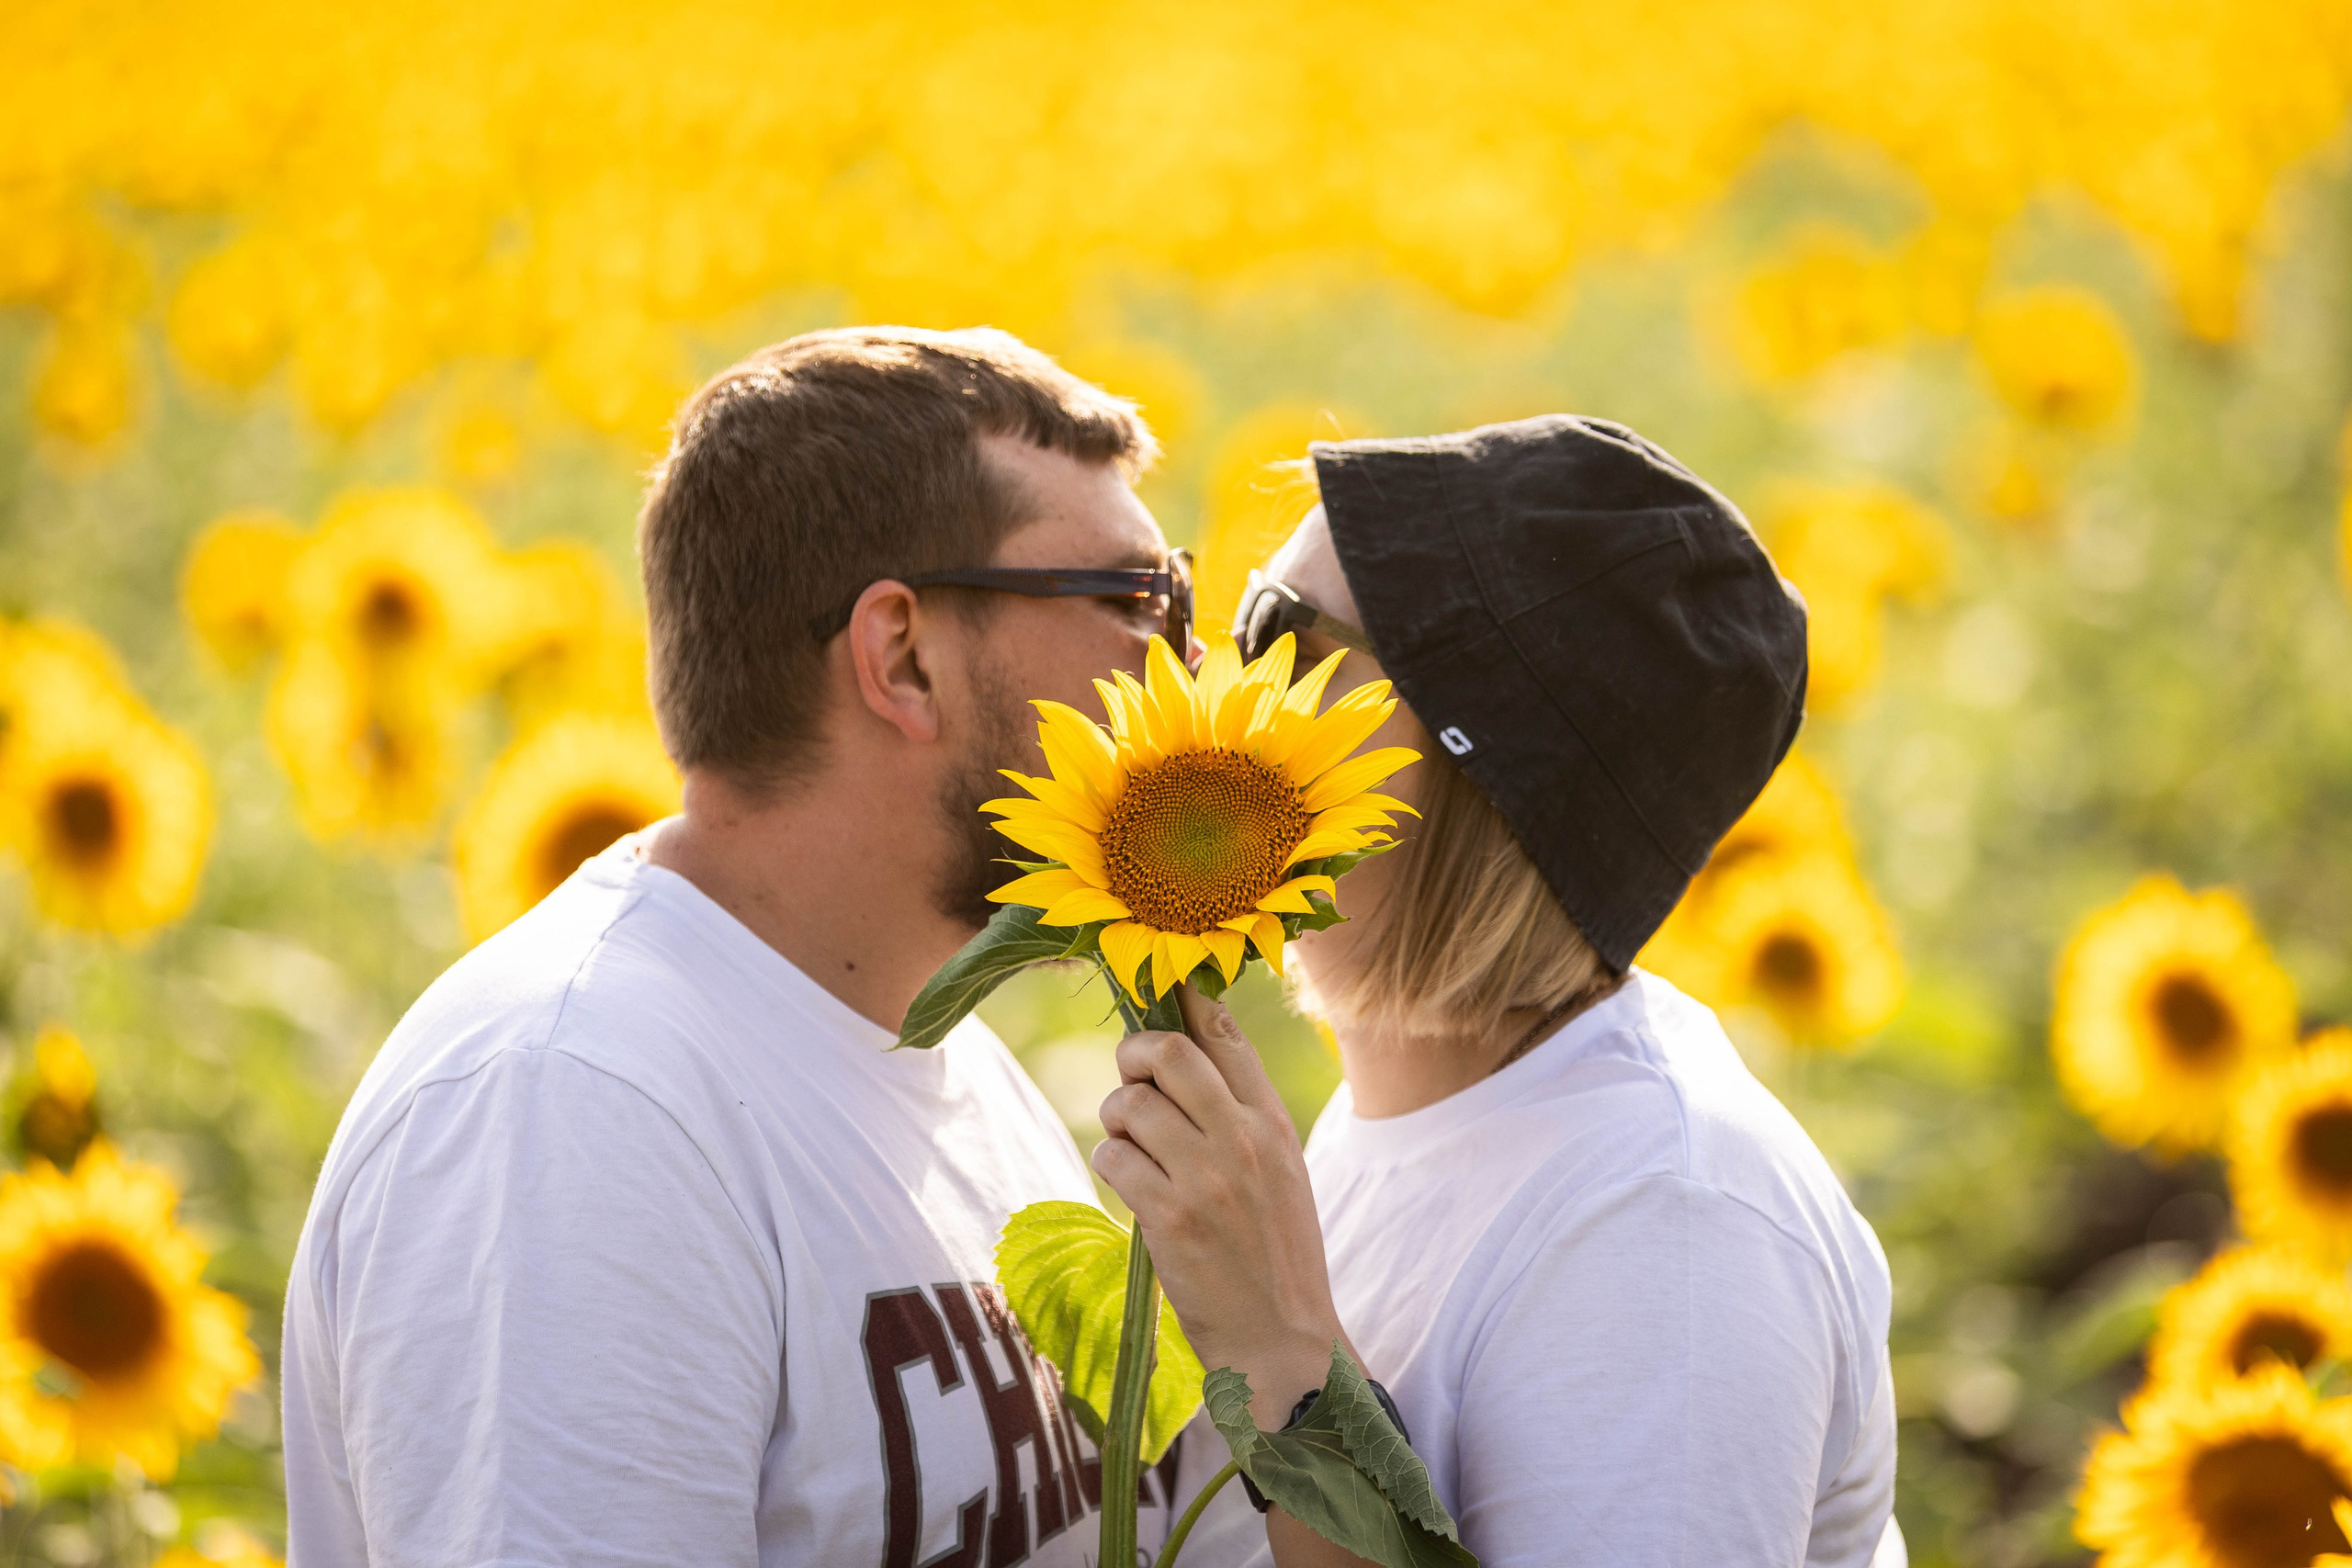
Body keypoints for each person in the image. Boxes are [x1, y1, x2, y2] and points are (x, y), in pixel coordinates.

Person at [280, 327, 1206, 1565]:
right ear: (904, 656)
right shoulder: (574, 1108)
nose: (1192, 667)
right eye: (1138, 601)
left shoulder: (938, 1053)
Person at [1093, 416, 1902, 1567]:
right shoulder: (1419, 1120)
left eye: (1284, 637)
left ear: (1482, 773)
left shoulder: (1662, 1230)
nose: (1215, 677)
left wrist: (1282, 1353)